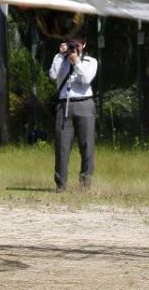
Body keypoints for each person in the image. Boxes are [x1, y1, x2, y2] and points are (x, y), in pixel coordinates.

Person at [48, 36, 98, 192]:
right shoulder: (61, 60)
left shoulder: (90, 61)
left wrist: (76, 61)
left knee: (87, 146)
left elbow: (85, 79)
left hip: (85, 104)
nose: (74, 47)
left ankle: (85, 185)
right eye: (71, 44)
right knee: (62, 147)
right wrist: (59, 55)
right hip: (64, 105)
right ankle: (61, 185)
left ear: (84, 44)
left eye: (77, 44)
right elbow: (52, 75)